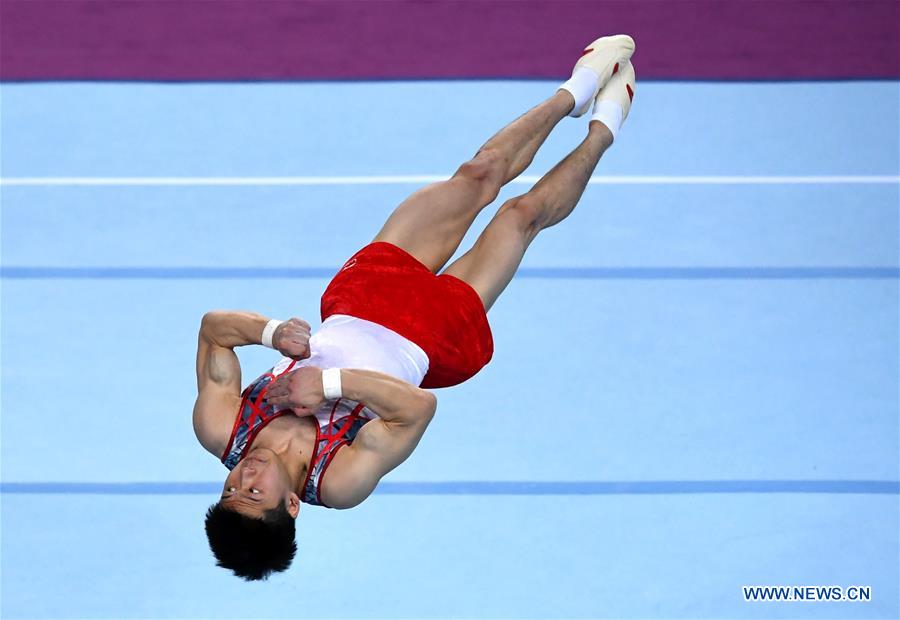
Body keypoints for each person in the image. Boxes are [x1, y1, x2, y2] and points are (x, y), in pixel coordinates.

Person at [194, 34, 636, 580]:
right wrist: (329, 387)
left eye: (230, 487)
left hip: (365, 295)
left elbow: (214, 331)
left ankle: (577, 88)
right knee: (520, 218)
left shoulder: (222, 430)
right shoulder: (338, 482)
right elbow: (418, 410)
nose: (244, 476)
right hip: (429, 336)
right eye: (253, 492)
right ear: (290, 506)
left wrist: (271, 331)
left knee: (478, 175)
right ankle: (604, 130)